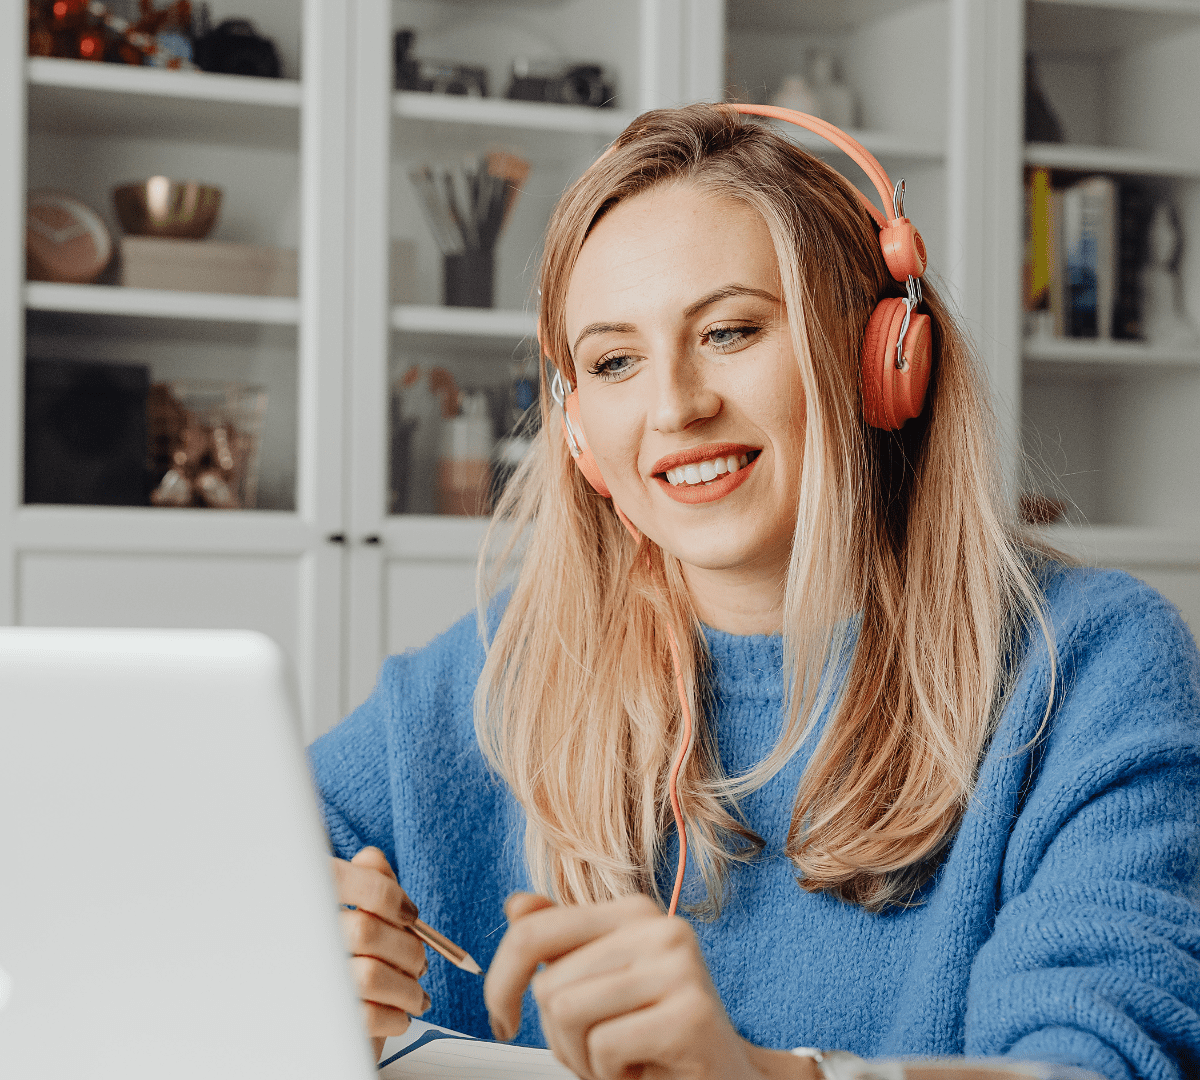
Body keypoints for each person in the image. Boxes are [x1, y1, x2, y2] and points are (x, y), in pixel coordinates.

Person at [310, 104, 1200, 1080]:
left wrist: (767, 1075)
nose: (676, 406)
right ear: (575, 432)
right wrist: (287, 942)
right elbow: (185, 875)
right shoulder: (494, 673)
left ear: (884, 360)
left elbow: (1101, 1064)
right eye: (614, 362)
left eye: (730, 331)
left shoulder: (1093, 664)